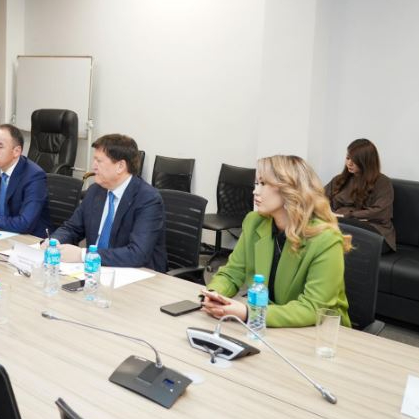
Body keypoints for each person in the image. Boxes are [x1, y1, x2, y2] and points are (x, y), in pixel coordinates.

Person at [202, 155, 352, 328]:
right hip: (272, 324)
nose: (255, 191)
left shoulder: (326, 239)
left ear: (289, 190)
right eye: (256, 183)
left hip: (321, 331)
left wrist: (249, 313)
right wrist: (213, 294)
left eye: (263, 184)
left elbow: (313, 307)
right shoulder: (254, 222)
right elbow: (232, 273)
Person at [50, 134, 167, 270]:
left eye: (99, 161)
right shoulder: (95, 190)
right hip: (95, 270)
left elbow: (137, 254)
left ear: (120, 166)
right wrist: (54, 241)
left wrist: (83, 255)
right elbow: (72, 228)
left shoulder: (148, 199)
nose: (93, 166)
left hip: (137, 274)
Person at [324, 138, 395, 252]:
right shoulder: (340, 180)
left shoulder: (383, 182)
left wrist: (346, 215)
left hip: (375, 231)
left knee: (338, 226)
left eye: (355, 160)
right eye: (348, 158)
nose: (349, 163)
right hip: (341, 225)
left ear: (366, 162)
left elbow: (379, 212)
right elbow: (320, 198)